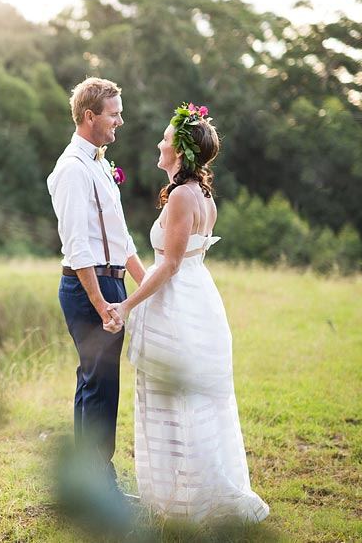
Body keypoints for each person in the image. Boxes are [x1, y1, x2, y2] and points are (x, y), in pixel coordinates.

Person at [109, 103, 269, 522]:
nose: (159, 143)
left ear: (179, 151)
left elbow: (171, 263)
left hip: (180, 305)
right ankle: (186, 497)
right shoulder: (201, 195)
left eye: (165, 138)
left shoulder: (182, 195)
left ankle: (185, 504)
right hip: (198, 299)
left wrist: (126, 304)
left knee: (177, 398)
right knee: (190, 400)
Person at [47, 77, 146, 495]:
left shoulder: (100, 164)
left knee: (96, 382)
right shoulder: (72, 169)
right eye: (114, 113)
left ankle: (90, 478)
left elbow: (119, 237)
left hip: (112, 285)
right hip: (90, 290)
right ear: (90, 117)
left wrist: (150, 284)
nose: (120, 120)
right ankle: (99, 483)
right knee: (99, 385)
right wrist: (102, 302)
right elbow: (78, 246)